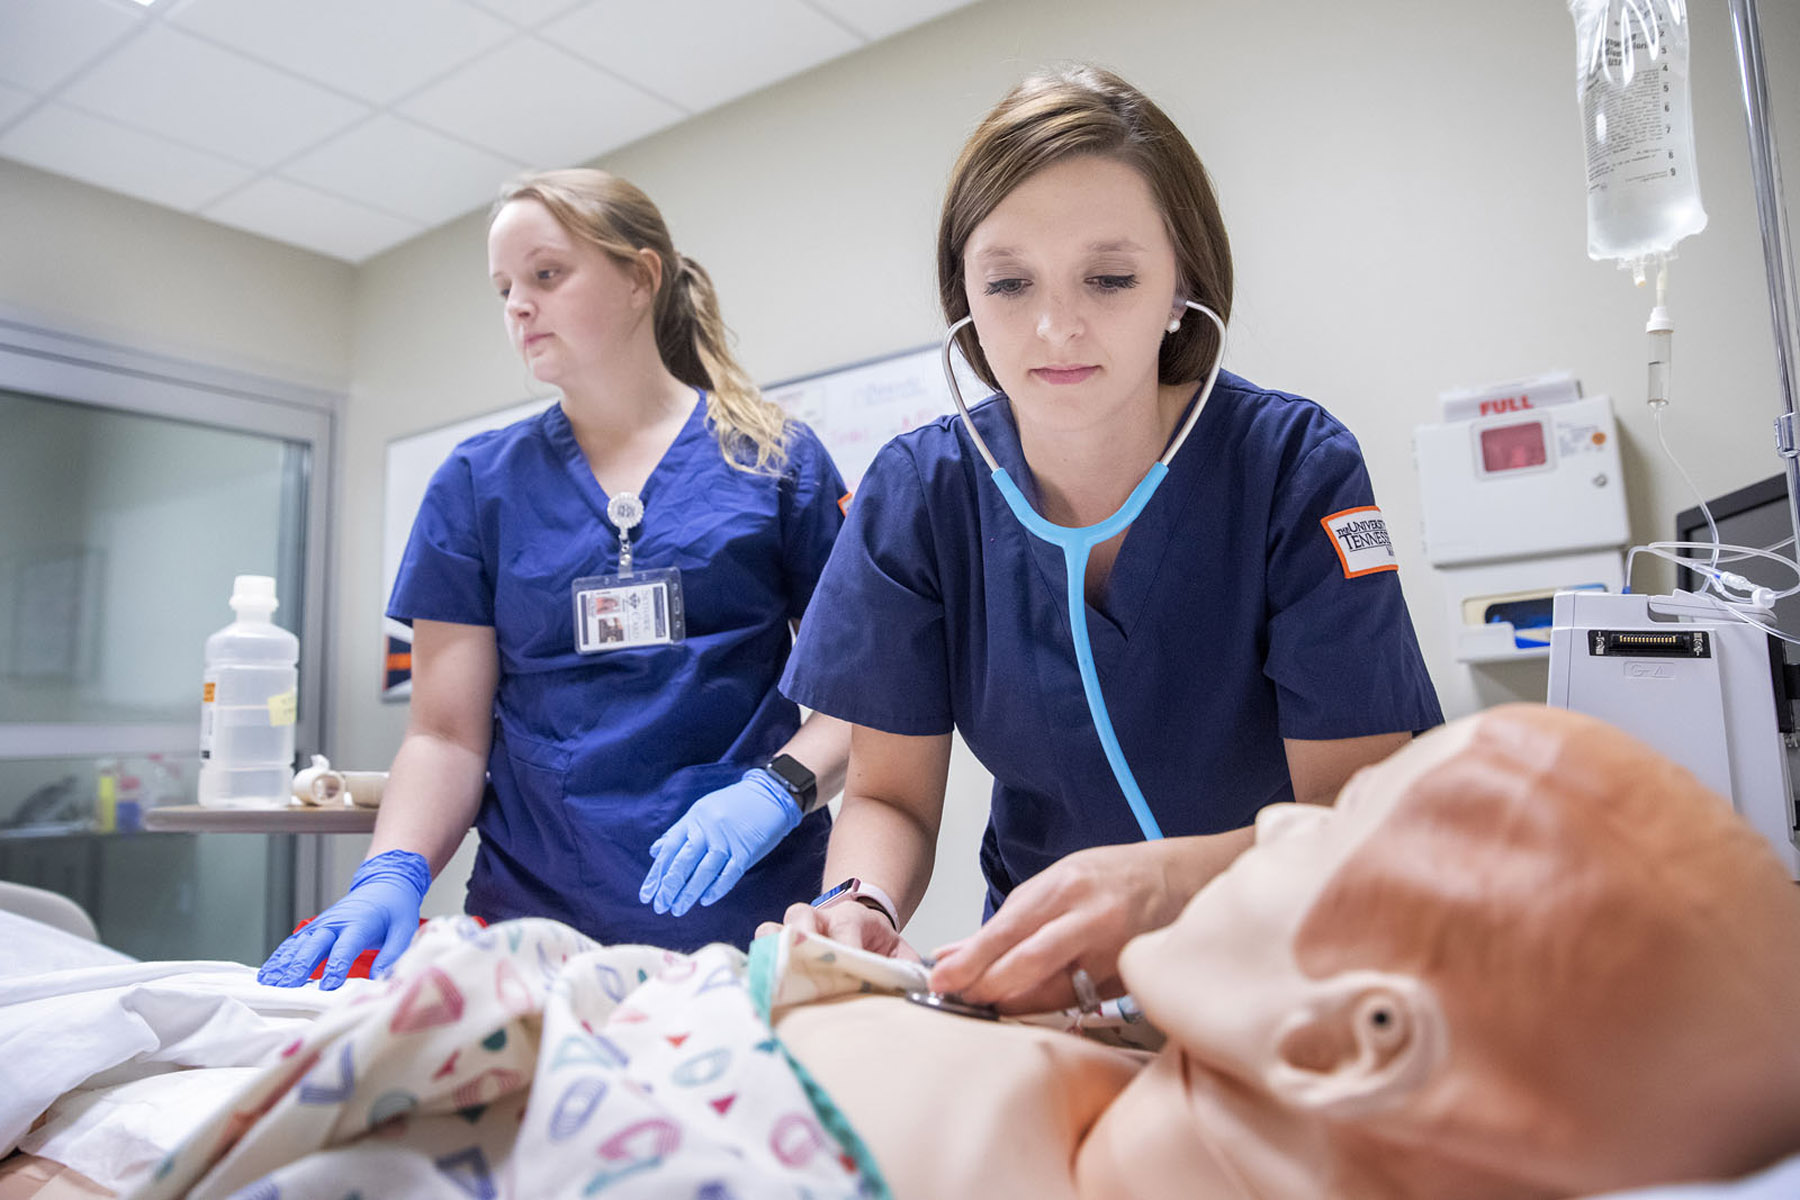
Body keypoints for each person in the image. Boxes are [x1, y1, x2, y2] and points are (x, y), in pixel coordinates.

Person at [772, 65, 1442, 1010]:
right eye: (1008, 282)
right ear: (963, 295)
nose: (1055, 327)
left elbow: (1355, 817)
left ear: (1182, 287)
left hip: (1298, 956)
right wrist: (859, 898)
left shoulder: (1293, 466)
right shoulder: (921, 494)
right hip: (1056, 977)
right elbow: (889, 797)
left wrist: (1156, 883)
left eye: (1111, 277)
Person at [777, 704, 1800, 1199]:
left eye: (1340, 828)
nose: (1273, 826)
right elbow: (889, 785)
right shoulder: (1184, 1068)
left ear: (1352, 1041)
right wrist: (857, 902)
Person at [258, 169, 851, 990]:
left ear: (641, 277)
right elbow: (443, 734)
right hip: (531, 921)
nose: (517, 307)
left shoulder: (776, 460)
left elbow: (867, 696)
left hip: (748, 912)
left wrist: (778, 789)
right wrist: (392, 871)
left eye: (545, 275)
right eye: (505, 288)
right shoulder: (476, 484)